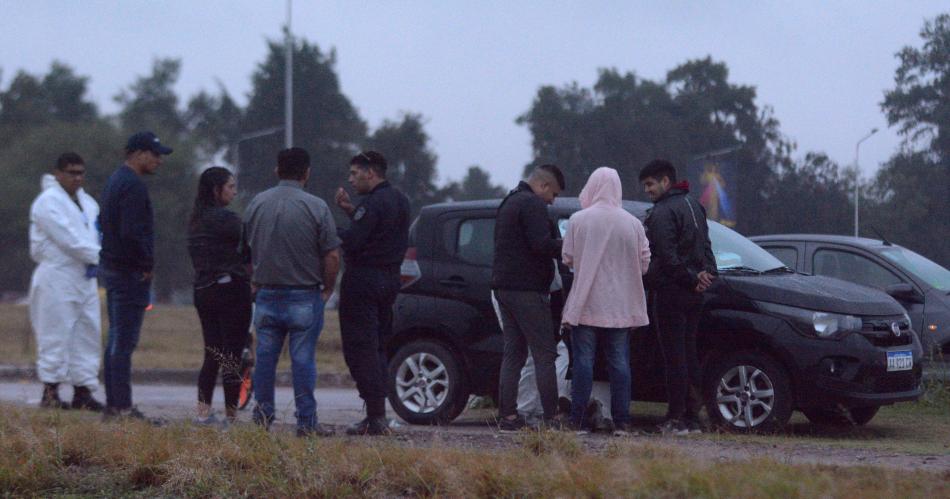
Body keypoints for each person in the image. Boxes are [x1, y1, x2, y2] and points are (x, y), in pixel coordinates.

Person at [243, 147, 341, 437]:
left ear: (277, 171)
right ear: (306, 173)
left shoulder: (256, 204)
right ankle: (306, 422)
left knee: (265, 360)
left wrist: (256, 282)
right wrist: (327, 289)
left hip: (266, 295)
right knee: (302, 361)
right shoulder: (317, 207)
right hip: (304, 296)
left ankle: (263, 415)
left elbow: (245, 249)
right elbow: (332, 257)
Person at [561, 167, 650, 435]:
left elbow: (568, 258)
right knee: (620, 363)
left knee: (583, 362)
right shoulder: (633, 223)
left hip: (586, 303)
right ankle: (622, 421)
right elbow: (645, 263)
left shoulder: (578, 219)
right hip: (621, 306)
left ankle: (576, 420)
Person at [334, 151, 411, 436]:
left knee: (360, 347)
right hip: (389, 279)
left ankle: (375, 414)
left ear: (371, 172)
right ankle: (378, 412)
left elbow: (355, 240)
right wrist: (351, 212)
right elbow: (380, 231)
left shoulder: (373, 203)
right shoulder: (399, 200)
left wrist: (328, 230)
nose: (350, 179)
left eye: (355, 173)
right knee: (378, 345)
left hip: (363, 280)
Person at [639, 159, 717, 436]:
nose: (647, 190)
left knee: (674, 358)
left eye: (650, 184)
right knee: (689, 354)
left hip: (672, 291)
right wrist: (706, 275)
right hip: (694, 294)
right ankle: (694, 417)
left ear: (665, 182)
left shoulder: (661, 212)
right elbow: (706, 247)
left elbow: (667, 257)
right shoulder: (695, 205)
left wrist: (690, 278)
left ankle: (676, 417)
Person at [99, 131, 172, 419]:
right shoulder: (133, 186)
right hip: (129, 273)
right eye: (156, 155)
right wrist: (144, 263)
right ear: (139, 153)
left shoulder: (115, 180)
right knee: (124, 342)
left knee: (115, 339)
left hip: (113, 268)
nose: (159, 161)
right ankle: (123, 407)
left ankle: (113, 403)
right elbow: (131, 232)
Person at [28, 152, 104, 411]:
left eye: (81, 172)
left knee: (87, 333)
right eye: (71, 172)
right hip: (57, 276)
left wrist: (99, 256)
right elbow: (69, 240)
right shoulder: (47, 202)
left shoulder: (89, 202)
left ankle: (83, 390)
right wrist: (103, 257)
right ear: (58, 173)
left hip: (85, 277)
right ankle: (50, 391)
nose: (77, 178)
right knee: (55, 333)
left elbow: (96, 234)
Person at [491, 164, 565, 431]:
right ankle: (552, 417)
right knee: (545, 354)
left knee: (513, 353)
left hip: (504, 289)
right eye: (553, 194)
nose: (552, 200)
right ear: (543, 186)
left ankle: (508, 416)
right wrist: (570, 246)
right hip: (527, 291)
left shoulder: (509, 202)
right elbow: (540, 244)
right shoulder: (532, 204)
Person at [187, 167, 251, 425]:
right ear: (216, 190)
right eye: (231, 187)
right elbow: (250, 247)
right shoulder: (228, 220)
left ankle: (203, 413)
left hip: (203, 291)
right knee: (232, 355)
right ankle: (231, 416)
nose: (234, 193)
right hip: (231, 291)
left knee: (211, 353)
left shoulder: (195, 220)